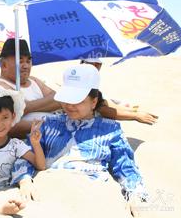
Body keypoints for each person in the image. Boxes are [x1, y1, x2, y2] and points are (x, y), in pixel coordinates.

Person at [12, 64, 147, 216]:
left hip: (92, 198)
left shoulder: (110, 130)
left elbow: (125, 166)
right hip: (47, 195)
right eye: (66, 99)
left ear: (94, 102)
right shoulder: (48, 124)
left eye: (77, 100)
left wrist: (135, 195)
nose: (69, 106)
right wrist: (24, 180)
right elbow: (26, 155)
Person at [0, 38, 61, 137]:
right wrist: (45, 124)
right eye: (20, 61)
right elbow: (8, 125)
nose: (26, 66)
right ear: (4, 65)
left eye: (28, 61)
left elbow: (59, 99)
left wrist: (24, 107)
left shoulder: (34, 81)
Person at [80, 58, 158, 125]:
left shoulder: (84, 76)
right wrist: (136, 116)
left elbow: (102, 102)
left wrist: (133, 111)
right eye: (97, 64)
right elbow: (102, 110)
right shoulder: (85, 81)